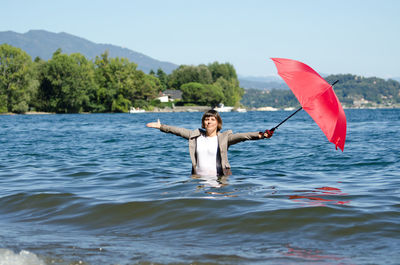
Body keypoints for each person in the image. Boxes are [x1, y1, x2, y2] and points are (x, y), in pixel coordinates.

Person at [146, 109, 274, 176]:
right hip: (198, 179)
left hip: (220, 178)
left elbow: (242, 136)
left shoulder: (224, 138)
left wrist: (261, 135)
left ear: (218, 123)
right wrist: (161, 126)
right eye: (206, 119)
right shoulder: (195, 136)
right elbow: (178, 131)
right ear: (203, 122)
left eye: (212, 119)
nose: (209, 122)